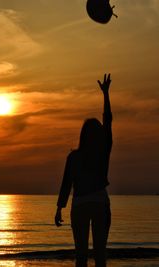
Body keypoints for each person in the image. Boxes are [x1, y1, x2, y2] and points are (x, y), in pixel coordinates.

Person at [55, 74, 113, 267]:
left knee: (81, 254)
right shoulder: (103, 151)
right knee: (99, 253)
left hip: (79, 204)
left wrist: (59, 208)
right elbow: (108, 122)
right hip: (99, 203)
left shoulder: (74, 157)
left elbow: (66, 183)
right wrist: (106, 95)